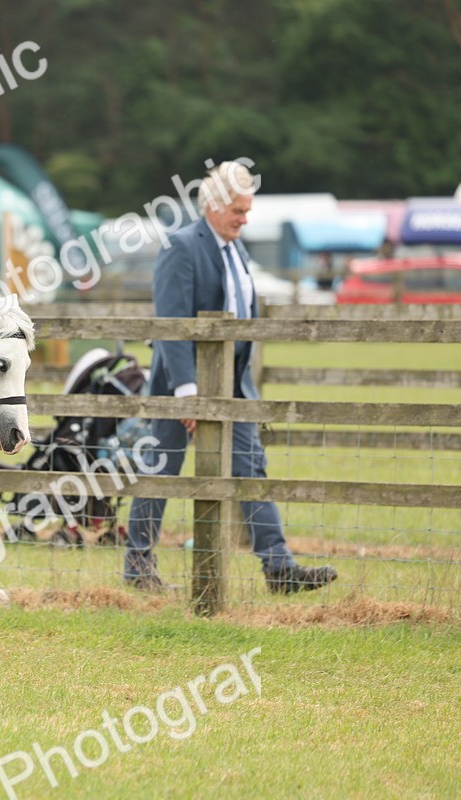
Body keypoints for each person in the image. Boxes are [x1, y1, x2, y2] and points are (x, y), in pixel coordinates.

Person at [124, 161, 337, 594]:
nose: (245, 218)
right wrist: (188, 393)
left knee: (251, 469)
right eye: (239, 210)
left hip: (235, 386)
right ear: (215, 205)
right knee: (161, 471)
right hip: (179, 386)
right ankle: (138, 567)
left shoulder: (235, 248)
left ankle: (279, 569)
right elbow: (171, 323)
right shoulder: (182, 247)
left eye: (247, 209)